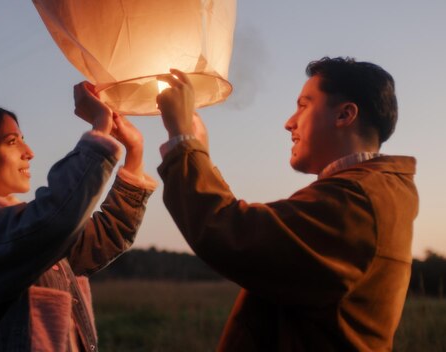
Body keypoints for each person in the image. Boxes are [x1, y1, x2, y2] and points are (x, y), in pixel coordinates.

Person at [155, 57, 419, 351]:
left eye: (304, 105)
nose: (289, 122)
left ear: (345, 115)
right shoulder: (368, 192)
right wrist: (193, 148)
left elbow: (232, 232)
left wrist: (183, 141)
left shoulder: (356, 201)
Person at [0, 82, 156, 352]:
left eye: (23, 138)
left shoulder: (19, 236)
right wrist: (100, 128)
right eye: (11, 141)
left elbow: (104, 237)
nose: (29, 152)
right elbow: (54, 220)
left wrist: (134, 154)